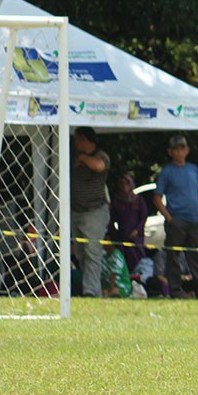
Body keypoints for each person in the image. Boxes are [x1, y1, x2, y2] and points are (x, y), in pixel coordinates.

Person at [152, 135, 198, 299]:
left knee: (195, 256)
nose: (179, 152)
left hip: (194, 219)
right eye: (176, 149)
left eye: (182, 148)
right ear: (170, 152)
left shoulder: (193, 169)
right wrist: (169, 218)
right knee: (173, 257)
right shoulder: (167, 172)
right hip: (176, 220)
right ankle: (176, 291)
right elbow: (157, 197)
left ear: (187, 150)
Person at [71, 127, 111, 297]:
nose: (74, 143)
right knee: (81, 254)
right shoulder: (74, 157)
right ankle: (91, 287)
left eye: (77, 139)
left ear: (85, 139)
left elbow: (99, 166)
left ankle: (91, 292)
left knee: (93, 252)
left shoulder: (101, 155)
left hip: (94, 212)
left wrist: (83, 158)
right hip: (76, 212)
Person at [109, 173, 147, 272]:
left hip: (136, 236)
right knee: (124, 260)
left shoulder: (138, 200)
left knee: (137, 259)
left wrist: (137, 230)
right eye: (121, 184)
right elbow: (112, 218)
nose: (124, 186)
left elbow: (143, 217)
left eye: (127, 183)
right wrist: (116, 233)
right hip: (122, 235)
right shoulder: (117, 200)